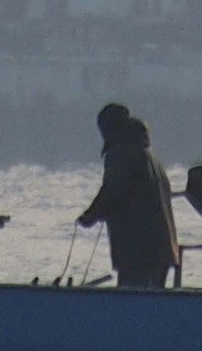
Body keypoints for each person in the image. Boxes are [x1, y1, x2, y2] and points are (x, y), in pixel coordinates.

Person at [75, 100, 180, 291]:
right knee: (153, 306)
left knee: (133, 306)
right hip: (162, 249)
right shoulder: (149, 154)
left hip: (137, 249)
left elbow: (114, 189)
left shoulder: (120, 151)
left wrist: (91, 215)